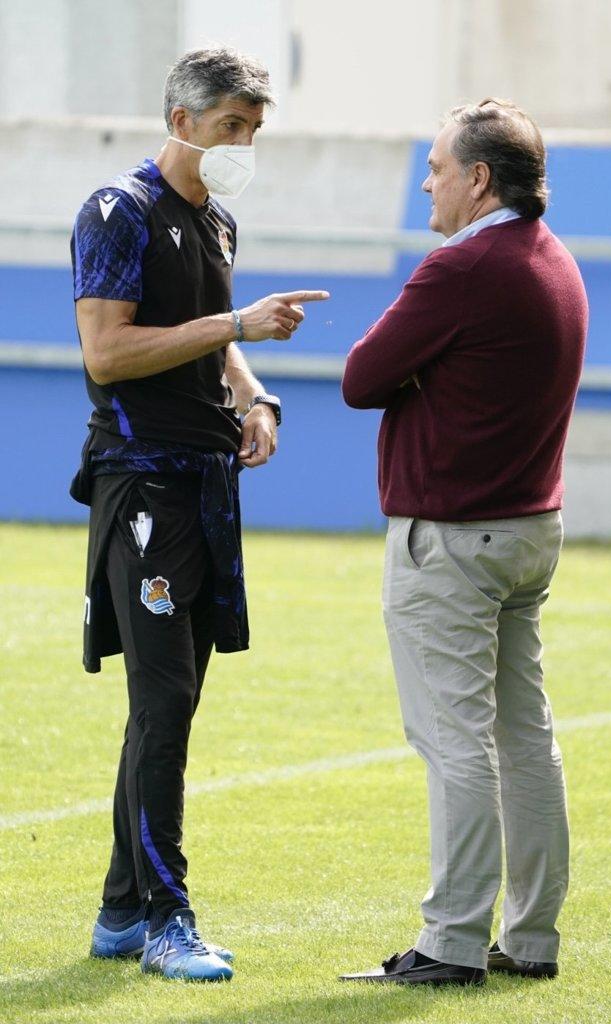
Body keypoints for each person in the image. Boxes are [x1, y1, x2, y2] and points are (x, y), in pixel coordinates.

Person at [69, 47, 328, 982]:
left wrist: (255, 398)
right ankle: (168, 920)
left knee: (171, 703)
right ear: (181, 120)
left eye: (254, 131)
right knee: (165, 700)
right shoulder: (117, 211)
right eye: (232, 127)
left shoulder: (216, 219)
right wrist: (236, 328)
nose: (243, 146)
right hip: (142, 486)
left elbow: (215, 345)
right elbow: (107, 352)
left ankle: (118, 914)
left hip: (207, 483)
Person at [340, 98, 587, 987]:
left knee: (456, 742)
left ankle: (449, 942)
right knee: (525, 737)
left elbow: (361, 378)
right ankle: (531, 938)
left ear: (479, 179)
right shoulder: (555, 259)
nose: (427, 181)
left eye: (439, 166)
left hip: (453, 538)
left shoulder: (463, 266)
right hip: (529, 530)